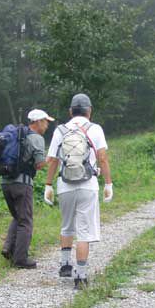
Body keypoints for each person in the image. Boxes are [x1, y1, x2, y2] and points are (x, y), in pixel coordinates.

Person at [44, 93, 113, 289]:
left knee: (67, 225)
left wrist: (48, 185)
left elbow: (53, 160)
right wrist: (108, 183)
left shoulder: (60, 129)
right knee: (84, 232)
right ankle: (80, 277)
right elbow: (102, 158)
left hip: (64, 184)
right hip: (88, 185)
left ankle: (65, 265)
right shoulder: (95, 129)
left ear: (70, 112)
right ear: (89, 111)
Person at [1, 109, 54, 268]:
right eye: (45, 122)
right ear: (37, 122)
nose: (47, 125)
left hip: (5, 183)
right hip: (22, 184)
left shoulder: (16, 135)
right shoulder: (36, 138)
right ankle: (20, 260)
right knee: (26, 221)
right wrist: (51, 159)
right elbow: (39, 165)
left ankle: (8, 248)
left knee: (18, 216)